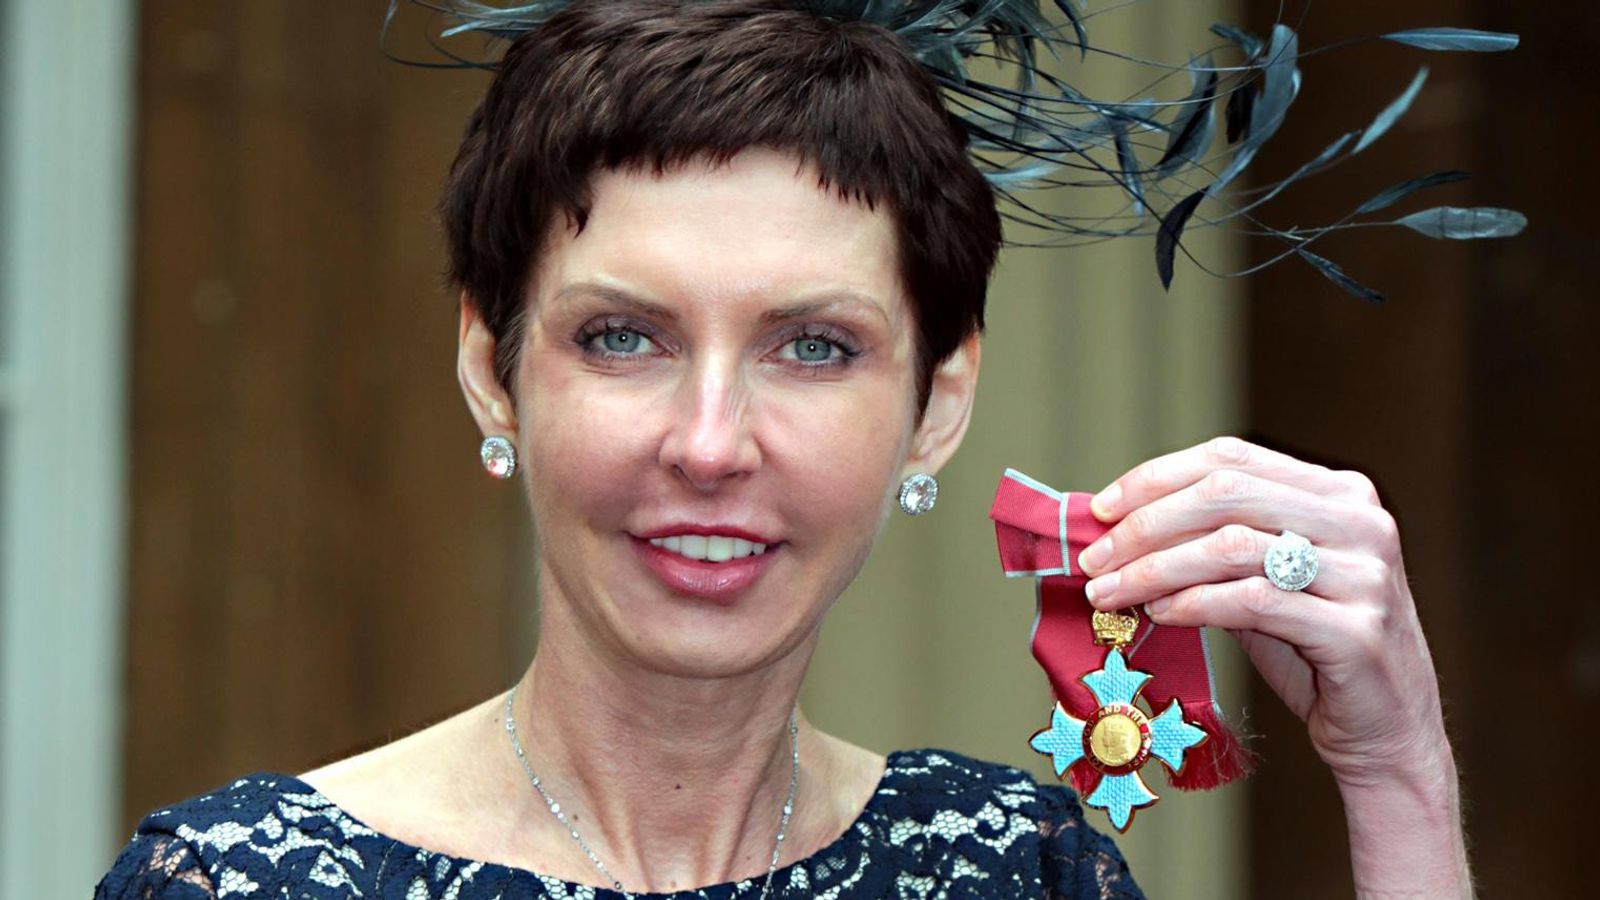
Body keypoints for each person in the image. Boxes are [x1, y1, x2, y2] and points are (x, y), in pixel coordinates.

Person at [96, 1, 1476, 897]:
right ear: (490, 367)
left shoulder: (1019, 873)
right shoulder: (237, 880)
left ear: (939, 400)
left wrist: (1396, 769)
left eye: (812, 346)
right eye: (622, 338)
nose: (709, 444)